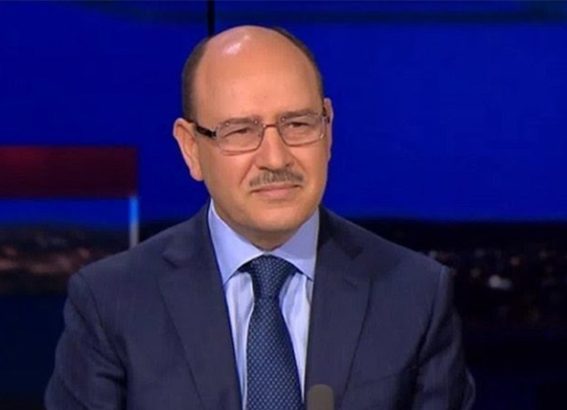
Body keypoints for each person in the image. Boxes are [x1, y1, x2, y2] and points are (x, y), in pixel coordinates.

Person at [45, 25, 475, 409]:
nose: (275, 157)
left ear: (328, 129)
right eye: (240, 131)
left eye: (298, 124)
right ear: (191, 148)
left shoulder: (414, 294)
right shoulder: (111, 302)